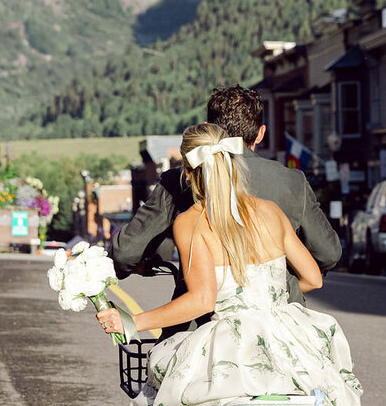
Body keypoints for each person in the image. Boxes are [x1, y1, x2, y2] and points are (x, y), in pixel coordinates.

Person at [96, 123, 373, 406]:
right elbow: (312, 277)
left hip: (229, 337)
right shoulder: (271, 212)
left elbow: (201, 299)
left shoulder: (191, 222)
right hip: (286, 333)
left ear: (190, 174)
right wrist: (270, 299)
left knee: (185, 397)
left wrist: (132, 321)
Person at [111, 85, 341, 337]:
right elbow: (328, 254)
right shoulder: (291, 183)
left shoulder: (177, 185)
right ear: (261, 133)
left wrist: (133, 269)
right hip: (282, 329)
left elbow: (125, 253)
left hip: (200, 329)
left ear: (208, 128)